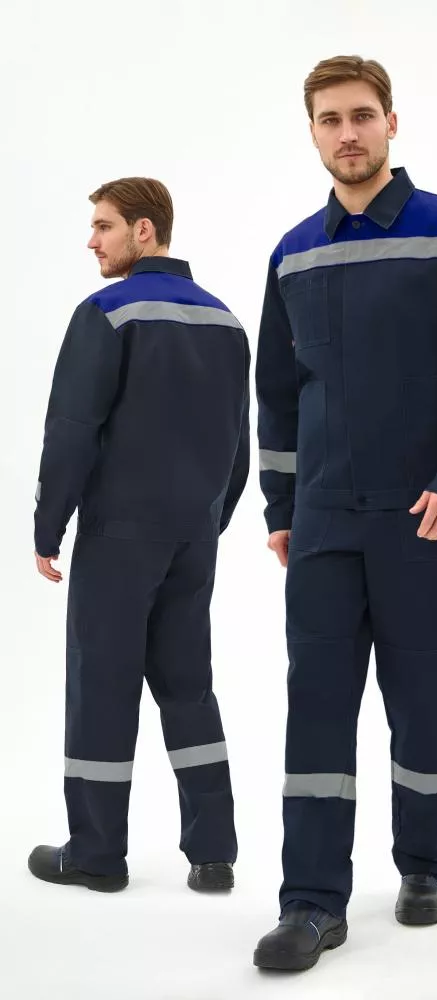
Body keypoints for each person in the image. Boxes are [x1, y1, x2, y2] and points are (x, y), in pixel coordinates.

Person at [253, 55, 437, 972]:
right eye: (330, 119)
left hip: (422, 516)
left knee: (422, 699)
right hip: (324, 520)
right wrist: (282, 505)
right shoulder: (292, 252)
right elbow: (278, 392)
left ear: (391, 123)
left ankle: (424, 866)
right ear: (312, 132)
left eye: (362, 115)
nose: (348, 133)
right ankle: (310, 902)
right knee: (316, 707)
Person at [29, 177, 250, 894]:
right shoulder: (225, 321)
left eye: (104, 226)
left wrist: (49, 524)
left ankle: (96, 855)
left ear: (144, 230)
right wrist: (208, 521)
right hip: (193, 536)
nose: (92, 241)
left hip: (120, 535)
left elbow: (71, 429)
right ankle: (212, 855)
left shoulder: (107, 312)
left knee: (103, 687)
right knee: (189, 688)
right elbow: (239, 444)